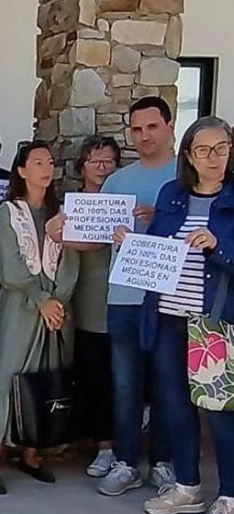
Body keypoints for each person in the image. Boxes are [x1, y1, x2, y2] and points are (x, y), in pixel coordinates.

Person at [124, 116, 234, 514]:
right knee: (174, 404)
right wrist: (132, 244)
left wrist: (218, 247)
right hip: (168, 317)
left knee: (219, 411)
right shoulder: (173, 194)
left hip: (214, 322)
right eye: (203, 150)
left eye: (221, 148)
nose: (213, 157)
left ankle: (229, 494)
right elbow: (157, 251)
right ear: (188, 155)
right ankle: (187, 487)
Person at [0, 141, 80, 495]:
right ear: (20, 170)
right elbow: (9, 267)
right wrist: (41, 298)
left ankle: (32, 454)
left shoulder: (61, 213)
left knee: (46, 376)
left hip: (56, 312)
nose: (45, 168)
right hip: (20, 307)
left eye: (49, 162)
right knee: (5, 377)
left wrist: (57, 301)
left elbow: (71, 262)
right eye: (37, 162)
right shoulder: (7, 212)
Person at [96, 97, 178, 497]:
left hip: (173, 300)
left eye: (151, 127)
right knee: (125, 384)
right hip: (124, 297)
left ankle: (164, 462)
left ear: (169, 125)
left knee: (168, 384)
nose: (144, 135)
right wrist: (63, 229)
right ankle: (127, 461)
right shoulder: (118, 182)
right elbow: (92, 237)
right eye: (136, 129)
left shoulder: (188, 175)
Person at [45, 136, 121, 478]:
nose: (102, 168)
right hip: (85, 305)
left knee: (126, 379)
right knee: (93, 376)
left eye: (108, 162)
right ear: (81, 168)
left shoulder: (126, 205)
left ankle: (125, 444)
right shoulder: (69, 209)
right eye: (95, 162)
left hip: (124, 302)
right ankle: (103, 444)